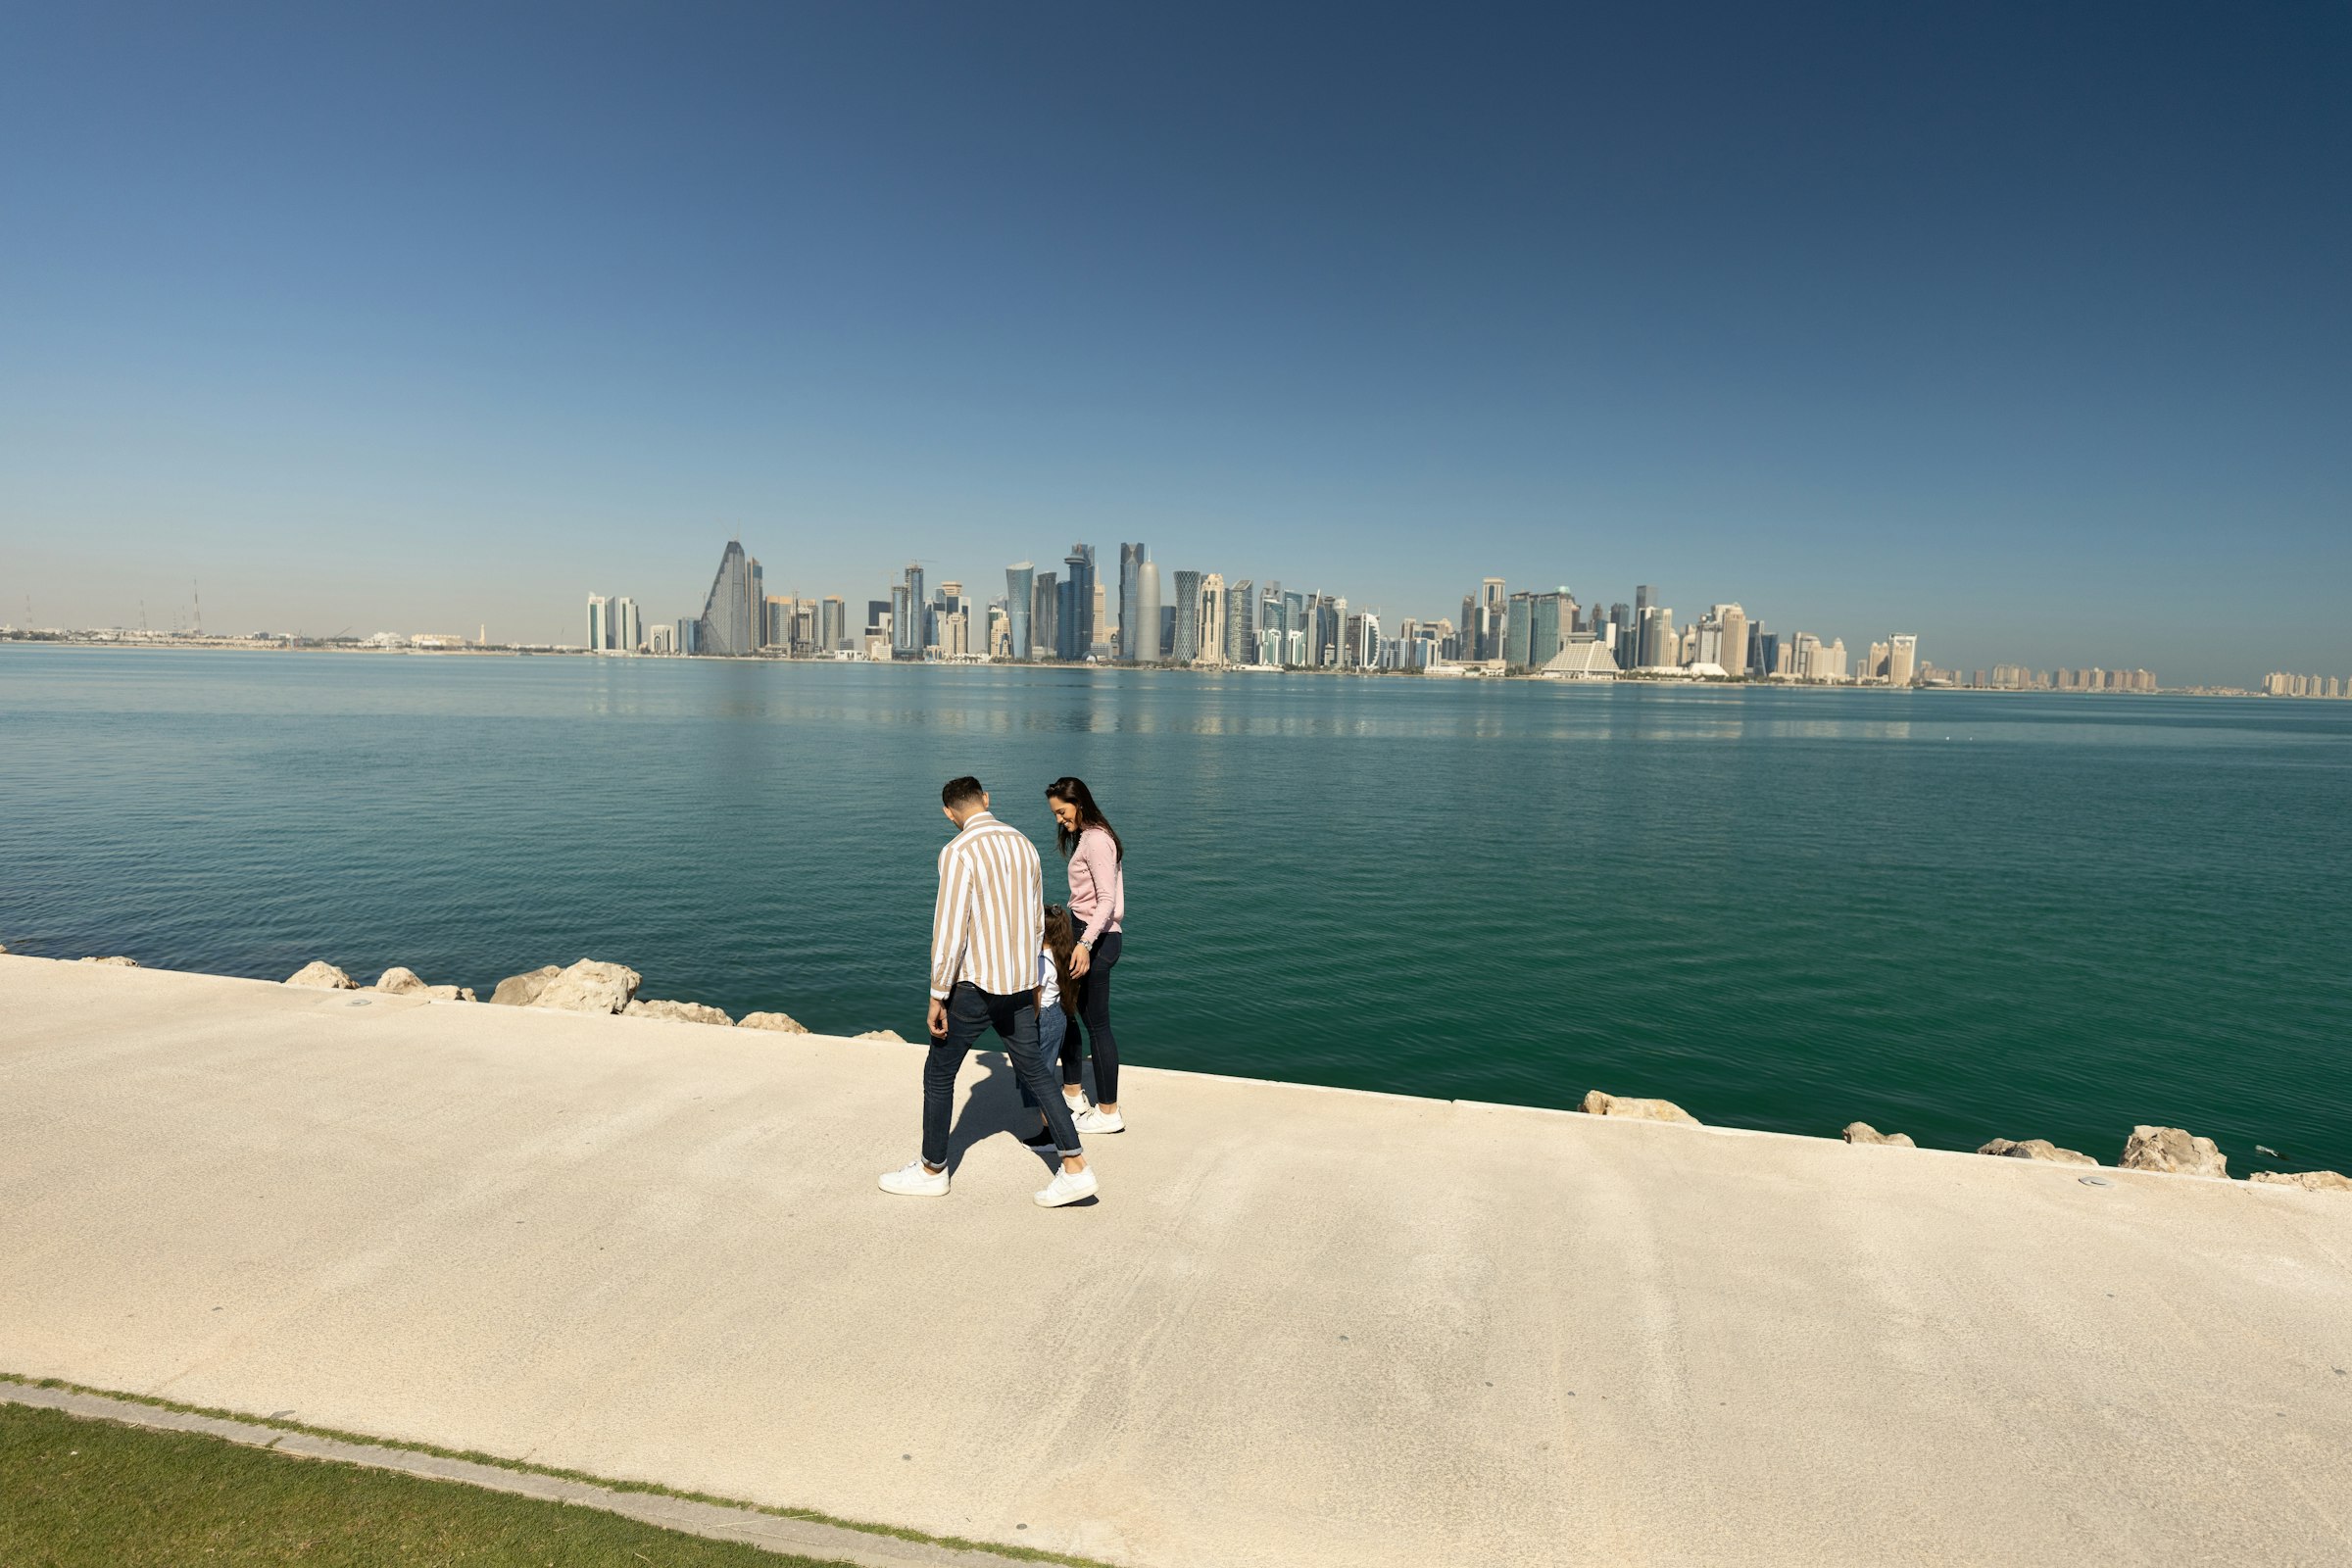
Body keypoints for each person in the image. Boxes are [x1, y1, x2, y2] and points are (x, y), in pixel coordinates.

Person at [879, 776, 1096, 1207]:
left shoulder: (957, 852)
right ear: (986, 800)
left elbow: (949, 929)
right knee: (1035, 1068)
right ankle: (1075, 1166)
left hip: (976, 986)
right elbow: (1037, 924)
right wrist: (1033, 983)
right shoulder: (1024, 844)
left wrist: (937, 994)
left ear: (948, 813)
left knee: (939, 1073)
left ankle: (932, 1169)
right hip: (1019, 984)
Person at [1045, 775, 1126, 1133]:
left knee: (1098, 1026)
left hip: (1098, 939)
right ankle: (1074, 1093)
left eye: (1062, 812)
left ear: (1079, 803)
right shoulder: (1085, 837)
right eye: (1056, 814)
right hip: (1083, 933)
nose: (1060, 820)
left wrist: (1085, 944)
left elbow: (1107, 901)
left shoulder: (1096, 840)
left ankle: (1109, 1113)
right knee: (1069, 1012)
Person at [1018, 905, 1084, 1145]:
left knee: (1040, 1078)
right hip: (1057, 1014)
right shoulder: (1062, 953)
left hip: (1043, 1018)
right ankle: (1059, 1119)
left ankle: (1051, 1135)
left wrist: (1026, 1025)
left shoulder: (1040, 962)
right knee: (1044, 1073)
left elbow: (1035, 997)